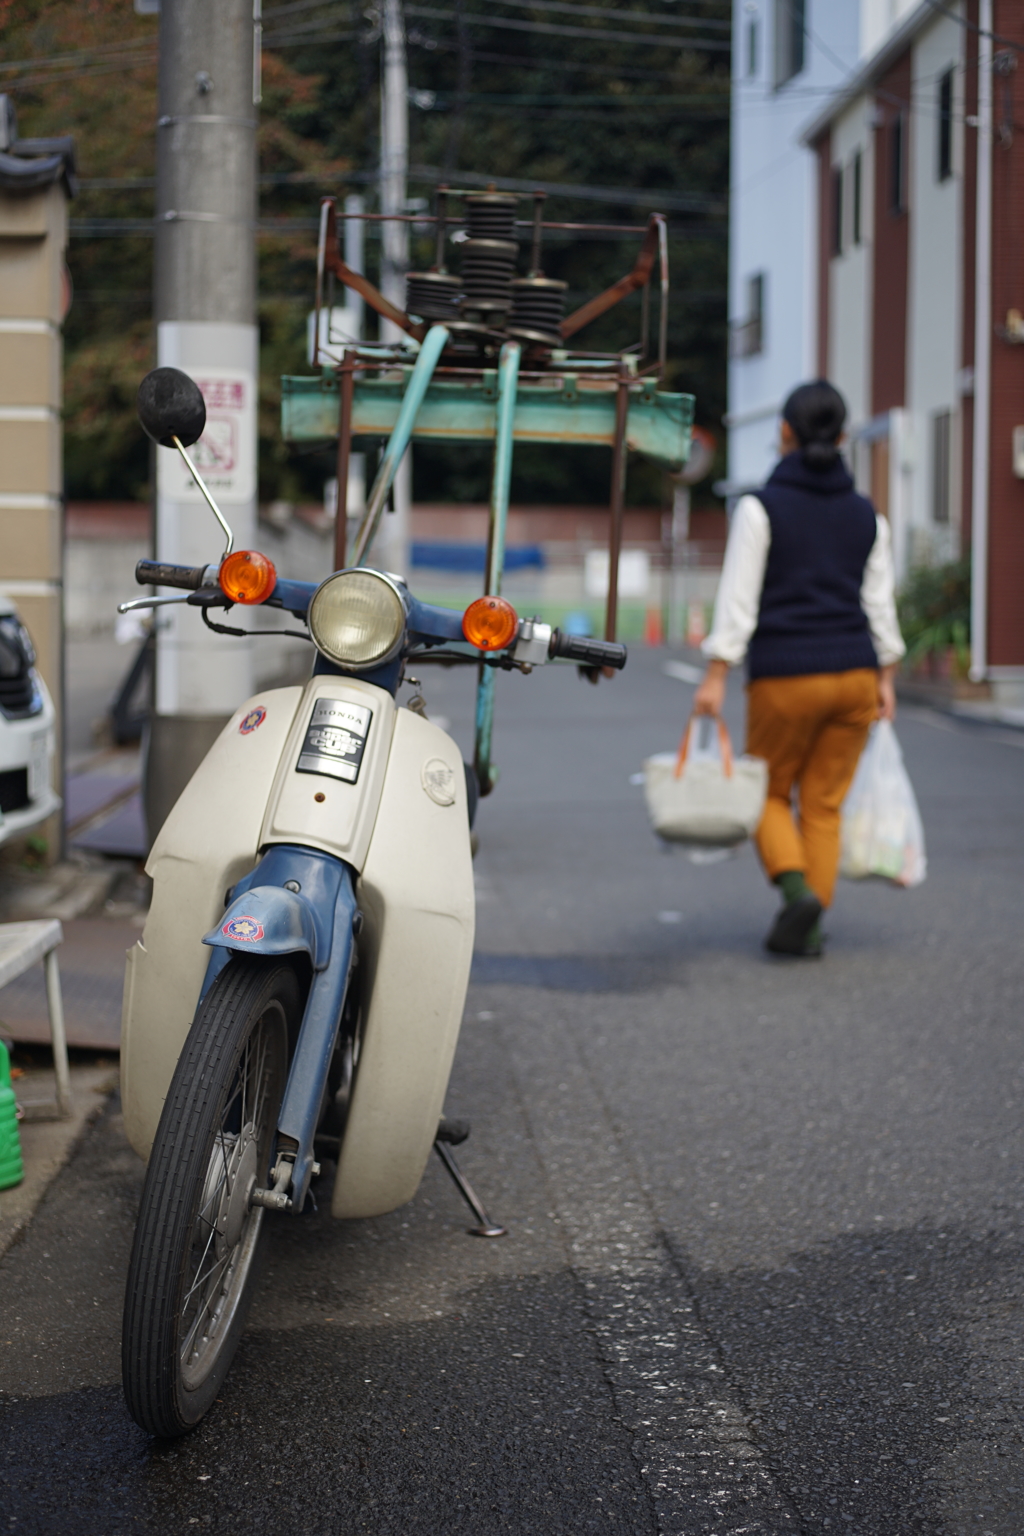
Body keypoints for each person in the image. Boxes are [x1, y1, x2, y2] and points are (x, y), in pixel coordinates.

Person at [693, 379, 905, 957]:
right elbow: (879, 605)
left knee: (766, 793)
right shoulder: (868, 516)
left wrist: (716, 674)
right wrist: (886, 678)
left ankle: (795, 894)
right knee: (825, 804)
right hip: (857, 675)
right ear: (842, 438)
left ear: (784, 432)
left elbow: (739, 600)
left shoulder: (763, 508)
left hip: (785, 675)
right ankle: (809, 927)